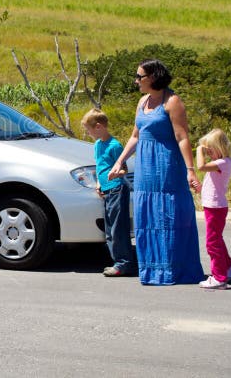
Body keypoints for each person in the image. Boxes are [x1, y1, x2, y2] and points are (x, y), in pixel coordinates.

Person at [108, 59, 204, 285]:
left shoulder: (172, 102)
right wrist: (120, 161)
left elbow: (182, 138)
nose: (136, 81)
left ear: (152, 77)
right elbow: (135, 135)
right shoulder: (142, 101)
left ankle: (173, 269)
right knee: (147, 216)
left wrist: (190, 170)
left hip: (166, 166)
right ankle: (153, 270)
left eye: (139, 76)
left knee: (168, 215)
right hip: (145, 168)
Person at [81, 108, 137, 277]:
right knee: (109, 228)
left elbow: (124, 169)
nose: (88, 133)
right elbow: (100, 166)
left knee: (118, 229)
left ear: (98, 127)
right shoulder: (98, 144)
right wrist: (99, 183)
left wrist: (115, 174)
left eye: (88, 130)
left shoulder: (115, 145)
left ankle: (124, 263)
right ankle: (118, 261)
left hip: (117, 189)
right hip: (107, 190)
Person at [196, 128, 231, 289]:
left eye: (210, 150)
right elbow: (213, 184)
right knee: (217, 239)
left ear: (219, 148)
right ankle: (228, 268)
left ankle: (219, 277)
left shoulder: (223, 162)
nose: (208, 153)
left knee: (212, 243)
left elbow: (200, 166)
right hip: (213, 206)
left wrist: (199, 150)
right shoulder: (219, 164)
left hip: (216, 207)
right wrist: (200, 187)